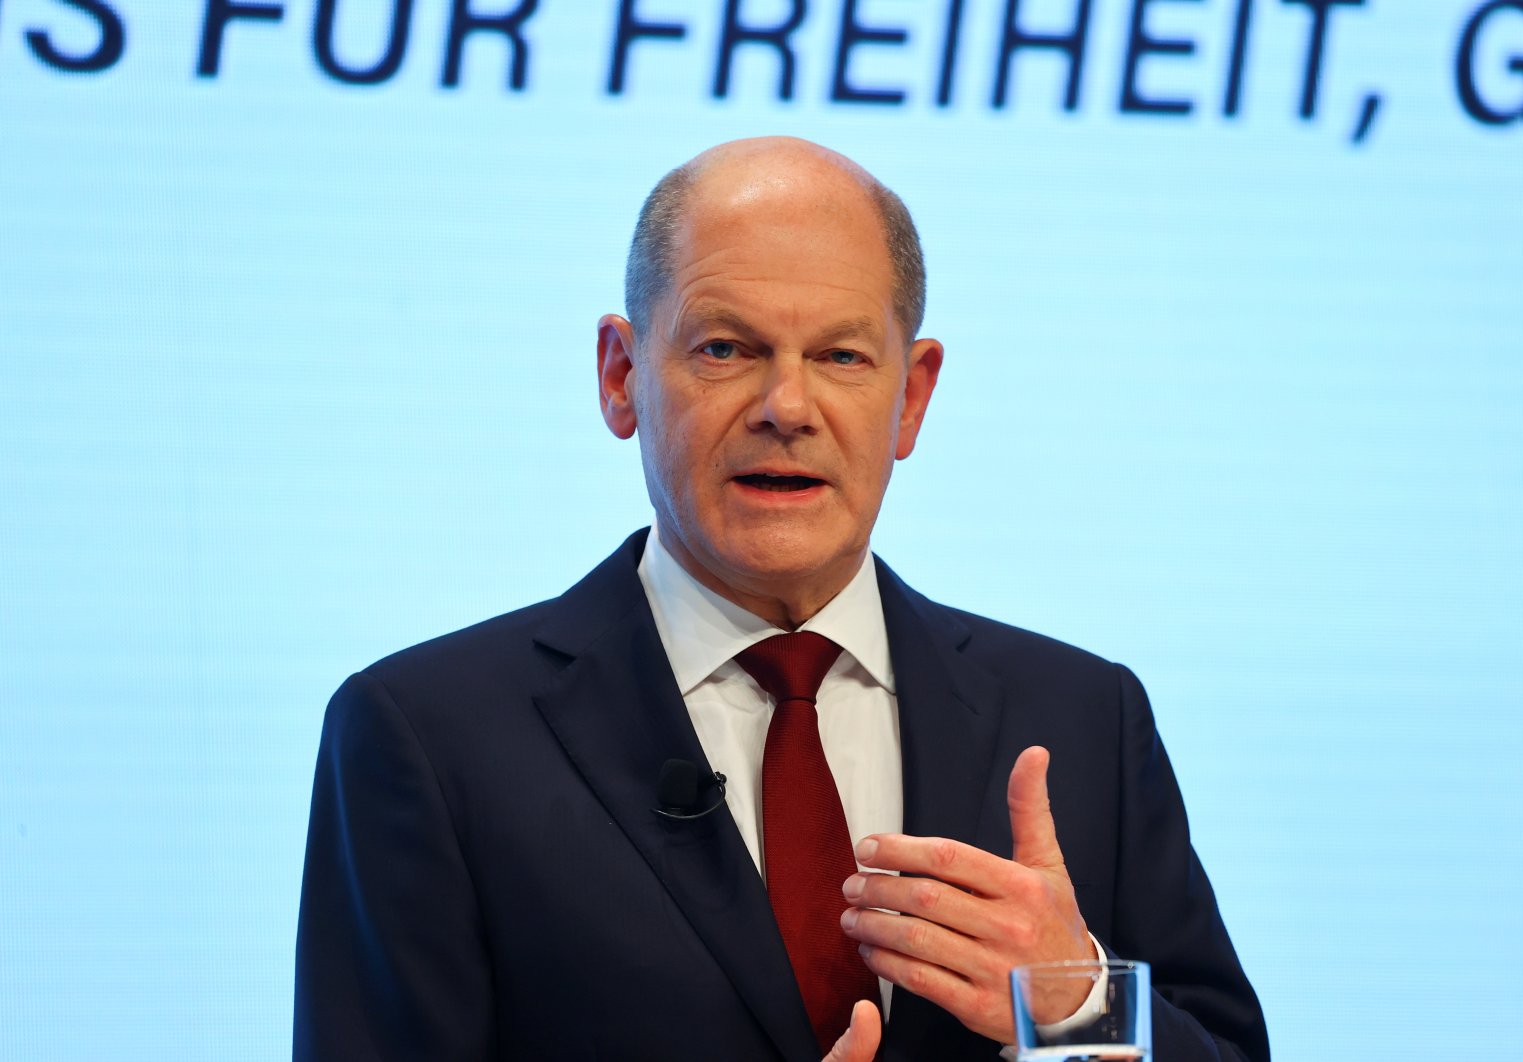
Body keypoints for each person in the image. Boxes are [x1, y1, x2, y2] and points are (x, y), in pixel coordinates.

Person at [293, 137, 1269, 1062]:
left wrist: (1074, 1002)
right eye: (725, 349)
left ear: (912, 396)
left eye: (842, 357)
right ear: (622, 374)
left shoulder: (1080, 717)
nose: (787, 407)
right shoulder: (430, 736)